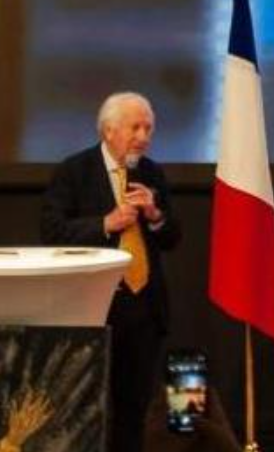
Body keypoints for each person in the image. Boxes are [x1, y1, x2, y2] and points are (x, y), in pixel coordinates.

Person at [41, 92, 182, 452]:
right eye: (135, 127)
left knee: (134, 409)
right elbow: (52, 231)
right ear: (108, 130)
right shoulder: (74, 171)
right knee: (88, 408)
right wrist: (106, 223)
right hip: (94, 307)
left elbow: (173, 238)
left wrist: (155, 215)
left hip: (144, 309)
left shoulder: (151, 173)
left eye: (149, 128)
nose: (144, 137)